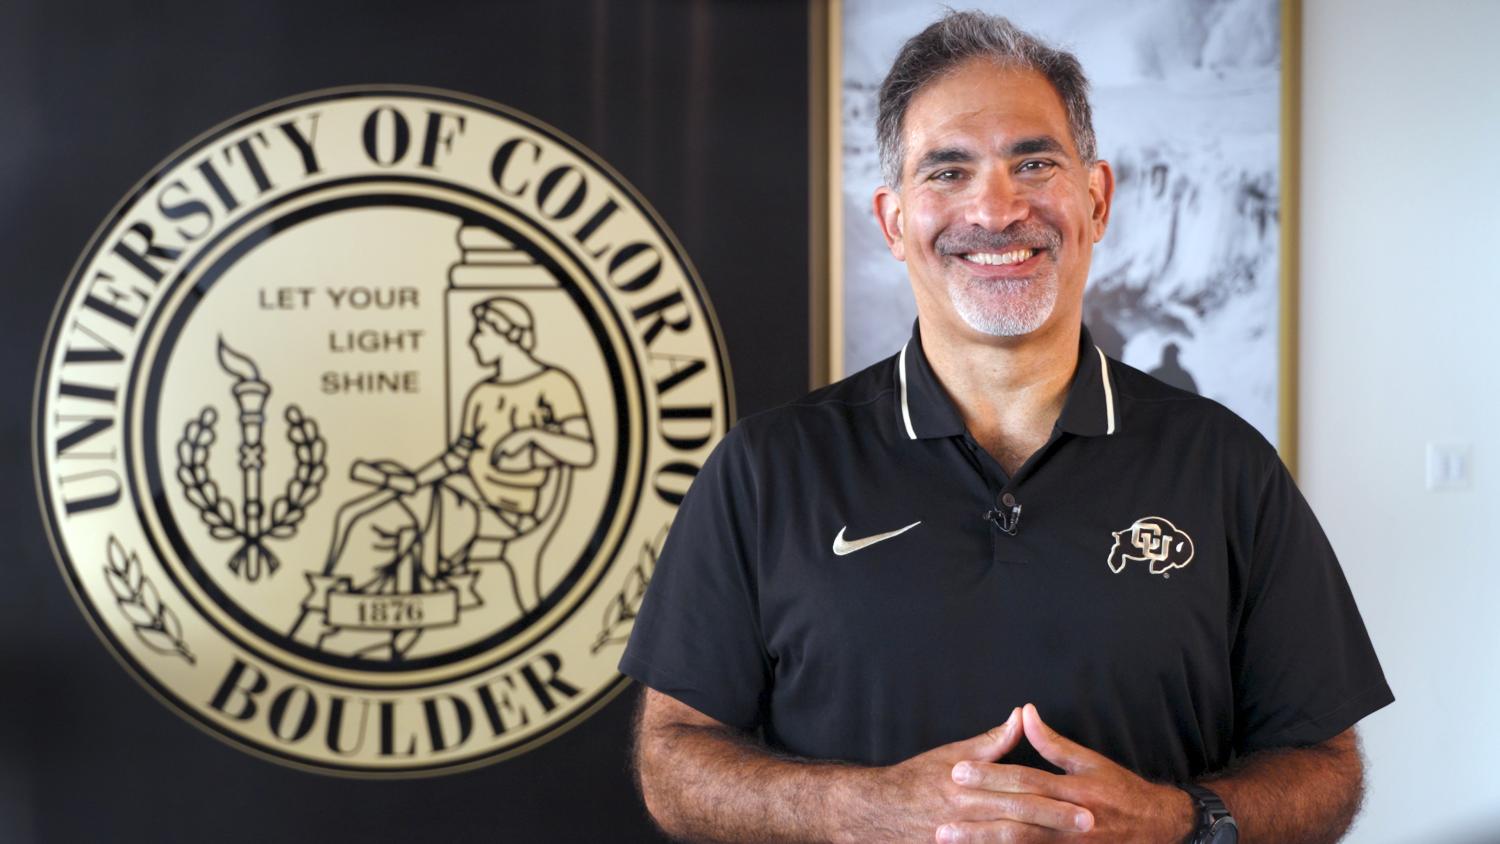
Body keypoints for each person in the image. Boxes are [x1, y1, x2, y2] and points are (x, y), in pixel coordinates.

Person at [620, 11, 1391, 843]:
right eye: (947, 172)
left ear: (1095, 200)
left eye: (1034, 161)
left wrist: (1181, 820)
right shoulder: (767, 468)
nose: (995, 208)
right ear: (892, 221)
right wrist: (863, 809)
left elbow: (1327, 766)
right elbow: (673, 759)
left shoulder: (1225, 463)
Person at [293, 296, 596, 657]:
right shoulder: (482, 393)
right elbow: (459, 456)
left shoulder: (554, 384)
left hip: (504, 508)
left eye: (480, 333)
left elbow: (584, 450)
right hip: (458, 493)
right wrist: (415, 480)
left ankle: (354, 623)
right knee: (359, 516)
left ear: (505, 335)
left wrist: (530, 435)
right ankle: (342, 614)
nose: (473, 342)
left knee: (399, 520)